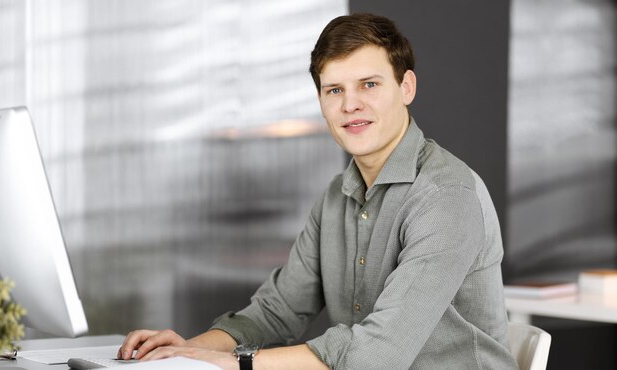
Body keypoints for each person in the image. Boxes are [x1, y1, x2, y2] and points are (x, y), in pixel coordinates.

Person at [118, 13, 518, 370]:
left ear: (406, 87)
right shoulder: (335, 198)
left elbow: (377, 354)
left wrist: (235, 363)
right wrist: (188, 351)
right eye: (334, 90)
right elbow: (279, 310)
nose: (351, 105)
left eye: (369, 84)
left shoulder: (446, 196)